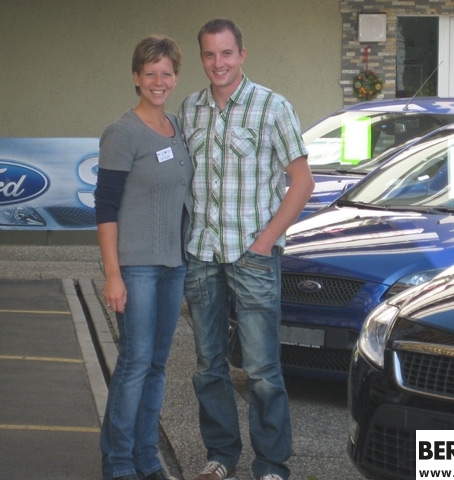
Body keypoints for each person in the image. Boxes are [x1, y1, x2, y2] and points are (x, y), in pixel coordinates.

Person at [177, 18, 314, 480]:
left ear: (242, 54)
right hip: (202, 255)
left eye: (226, 53)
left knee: (261, 369)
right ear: (202, 58)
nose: (218, 63)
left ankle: (271, 464)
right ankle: (220, 456)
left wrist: (264, 242)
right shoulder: (190, 109)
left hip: (253, 256)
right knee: (208, 366)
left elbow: (302, 183)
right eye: (209, 54)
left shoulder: (273, 107)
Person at [95, 34, 192, 480]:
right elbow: (105, 207)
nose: (158, 81)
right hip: (135, 268)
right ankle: (118, 463)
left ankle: (146, 457)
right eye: (150, 73)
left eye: (166, 73)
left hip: (173, 265)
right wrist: (113, 274)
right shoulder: (122, 132)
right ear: (136, 77)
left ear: (176, 77)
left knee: (156, 365)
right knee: (134, 364)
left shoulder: (177, 126)